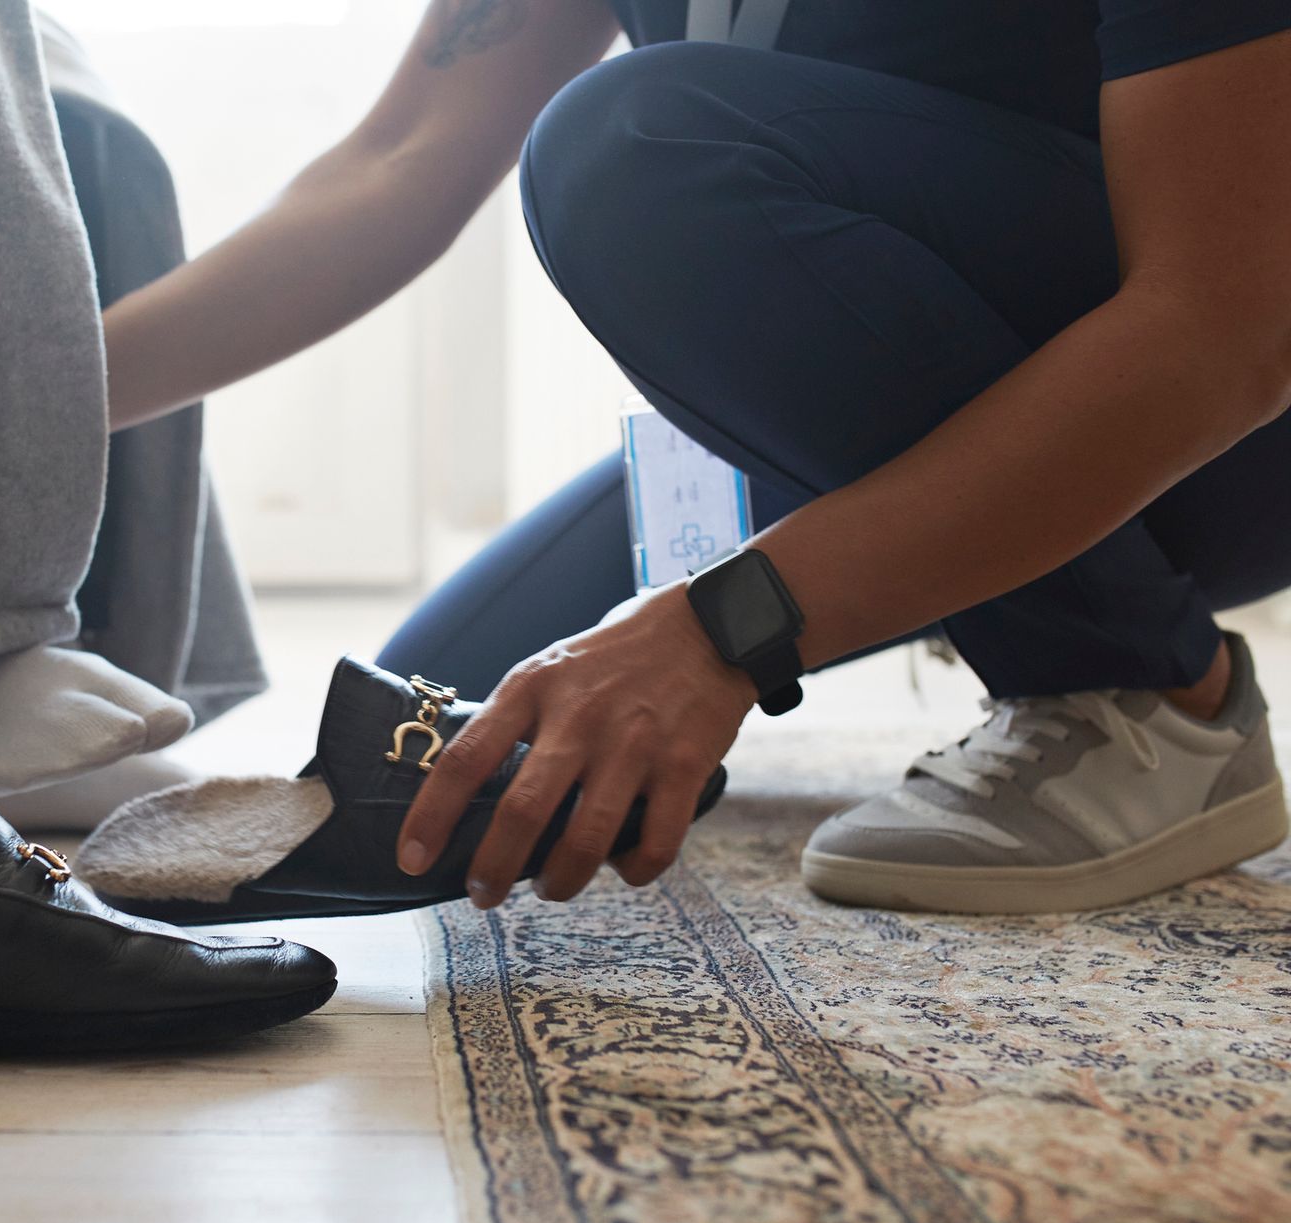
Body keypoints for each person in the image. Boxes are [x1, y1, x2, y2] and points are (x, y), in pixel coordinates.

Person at [104, 0, 1291, 915]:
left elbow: (1227, 326)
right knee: (465, 742)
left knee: (635, 142)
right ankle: (1034, 611)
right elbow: (398, 158)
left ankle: (1152, 693)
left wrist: (729, 625)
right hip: (887, 388)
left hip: (1218, 430)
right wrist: (36, 415)